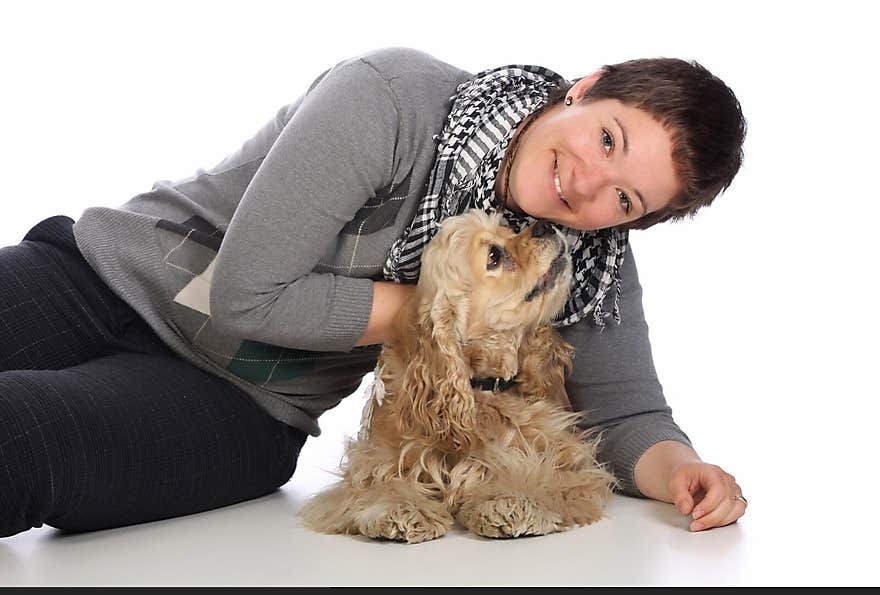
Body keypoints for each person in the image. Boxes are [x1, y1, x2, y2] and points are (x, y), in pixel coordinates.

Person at [0, 47, 747, 539]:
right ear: (584, 87)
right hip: (100, 279)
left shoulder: (577, 256)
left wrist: (683, 470)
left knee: (20, 442)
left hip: (238, 404)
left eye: (626, 200)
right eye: (608, 139)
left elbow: (624, 410)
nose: (587, 186)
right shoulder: (392, 102)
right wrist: (440, 316)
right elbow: (247, 294)